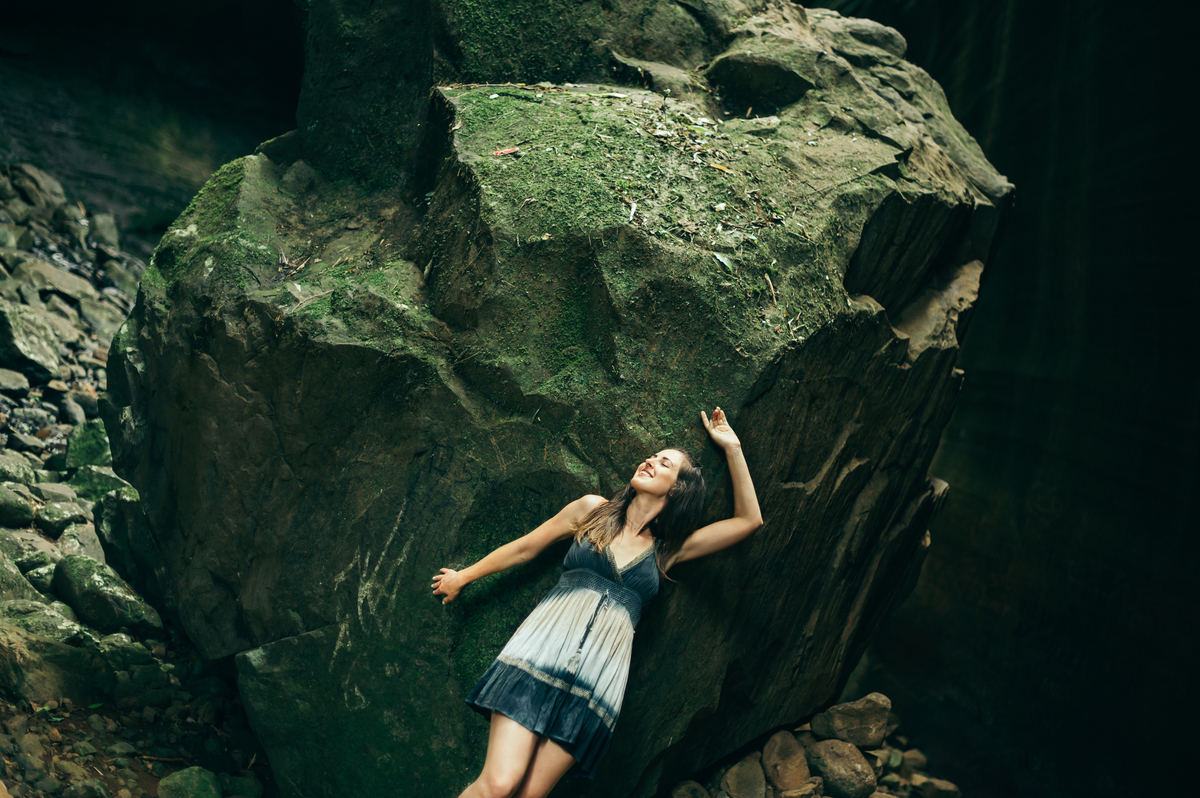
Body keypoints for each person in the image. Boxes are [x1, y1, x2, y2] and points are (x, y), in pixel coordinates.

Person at [432, 407, 763, 798]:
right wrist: (464, 576)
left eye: (664, 462)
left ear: (678, 489)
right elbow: (526, 548)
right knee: (498, 784)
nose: (650, 461)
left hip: (597, 685)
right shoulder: (592, 509)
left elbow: (748, 520)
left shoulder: (667, 552)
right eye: (651, 456)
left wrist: (733, 447)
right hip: (540, 655)